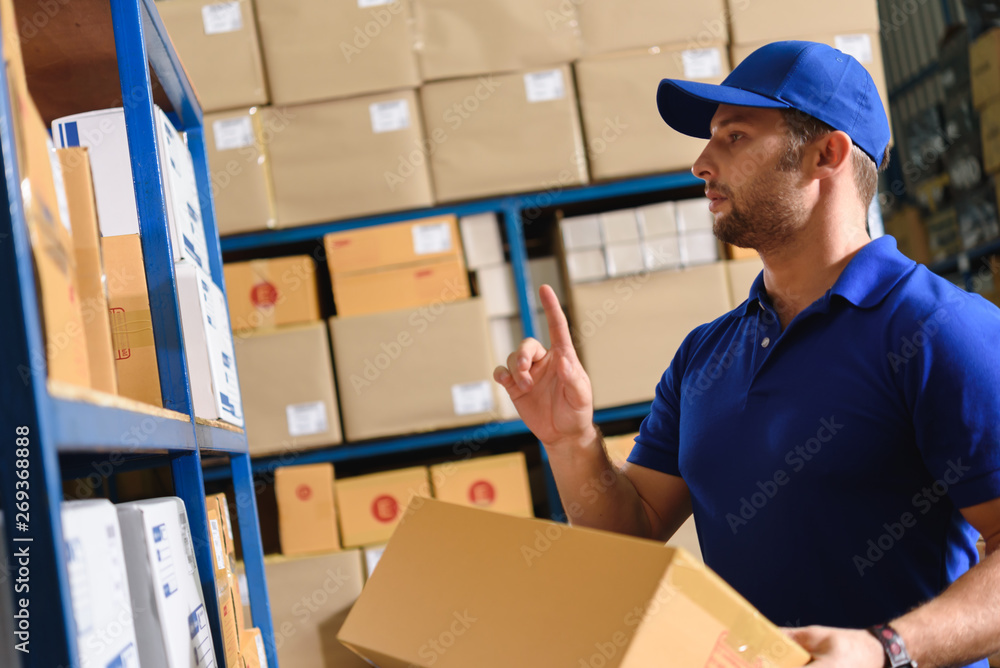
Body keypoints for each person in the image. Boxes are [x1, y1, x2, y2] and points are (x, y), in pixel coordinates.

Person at [494, 41, 1000, 668]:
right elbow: (634, 534)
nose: (701, 163)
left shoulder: (942, 330)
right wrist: (571, 443)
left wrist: (886, 649)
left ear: (826, 154)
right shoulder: (705, 354)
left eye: (733, 137)